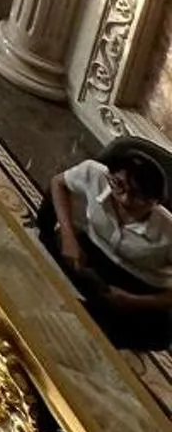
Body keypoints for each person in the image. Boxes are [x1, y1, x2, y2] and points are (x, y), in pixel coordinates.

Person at [40, 146, 172, 351]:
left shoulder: (169, 231)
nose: (125, 199)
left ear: (155, 202)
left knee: (160, 334)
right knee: (54, 246)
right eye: (119, 185)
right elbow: (59, 183)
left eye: (137, 196)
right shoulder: (94, 173)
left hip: (137, 281)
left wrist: (135, 301)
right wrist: (68, 236)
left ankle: (90, 316)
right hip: (92, 251)